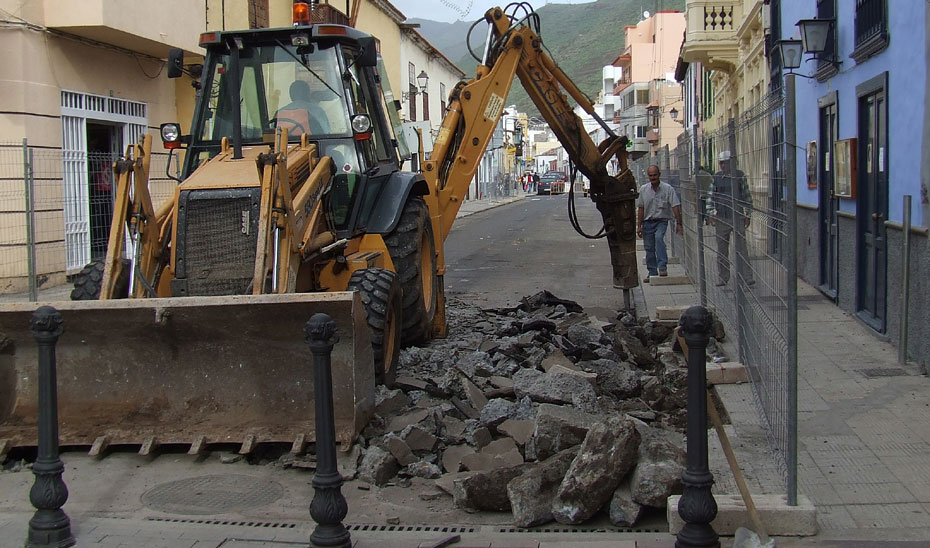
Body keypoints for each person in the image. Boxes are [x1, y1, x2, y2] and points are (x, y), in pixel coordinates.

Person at [709, 151, 755, 286]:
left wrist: (747, 214)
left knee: (742, 248)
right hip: (722, 218)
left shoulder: (739, 176)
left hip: (738, 217)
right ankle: (723, 277)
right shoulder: (716, 178)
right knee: (722, 250)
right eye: (721, 163)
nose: (723, 165)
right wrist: (711, 212)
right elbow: (711, 196)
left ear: (731, 162)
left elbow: (746, 196)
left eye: (725, 162)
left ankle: (747, 277)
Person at [636, 165, 683, 283]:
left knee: (659, 238)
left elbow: (675, 206)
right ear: (648, 176)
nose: (653, 178)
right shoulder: (643, 189)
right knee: (649, 248)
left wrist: (679, 223)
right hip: (647, 222)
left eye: (655, 175)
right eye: (651, 176)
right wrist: (639, 226)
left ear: (659, 175)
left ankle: (662, 267)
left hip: (661, 221)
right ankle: (652, 272)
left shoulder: (668, 189)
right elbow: (641, 208)